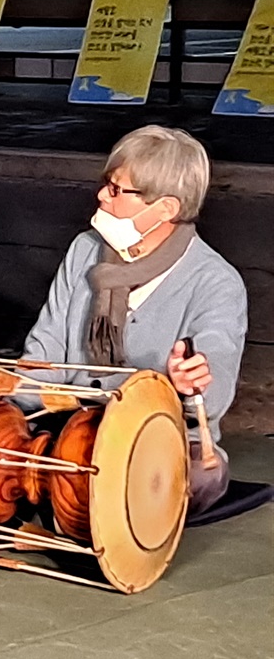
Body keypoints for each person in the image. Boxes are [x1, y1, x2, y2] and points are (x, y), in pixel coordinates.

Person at [22, 125, 247, 516]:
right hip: (71, 421)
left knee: (199, 477)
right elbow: (46, 350)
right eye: (105, 183)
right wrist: (6, 389)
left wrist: (190, 381)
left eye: (116, 190)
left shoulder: (216, 282)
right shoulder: (84, 251)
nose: (101, 197)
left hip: (155, 434)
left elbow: (216, 377)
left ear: (166, 209)